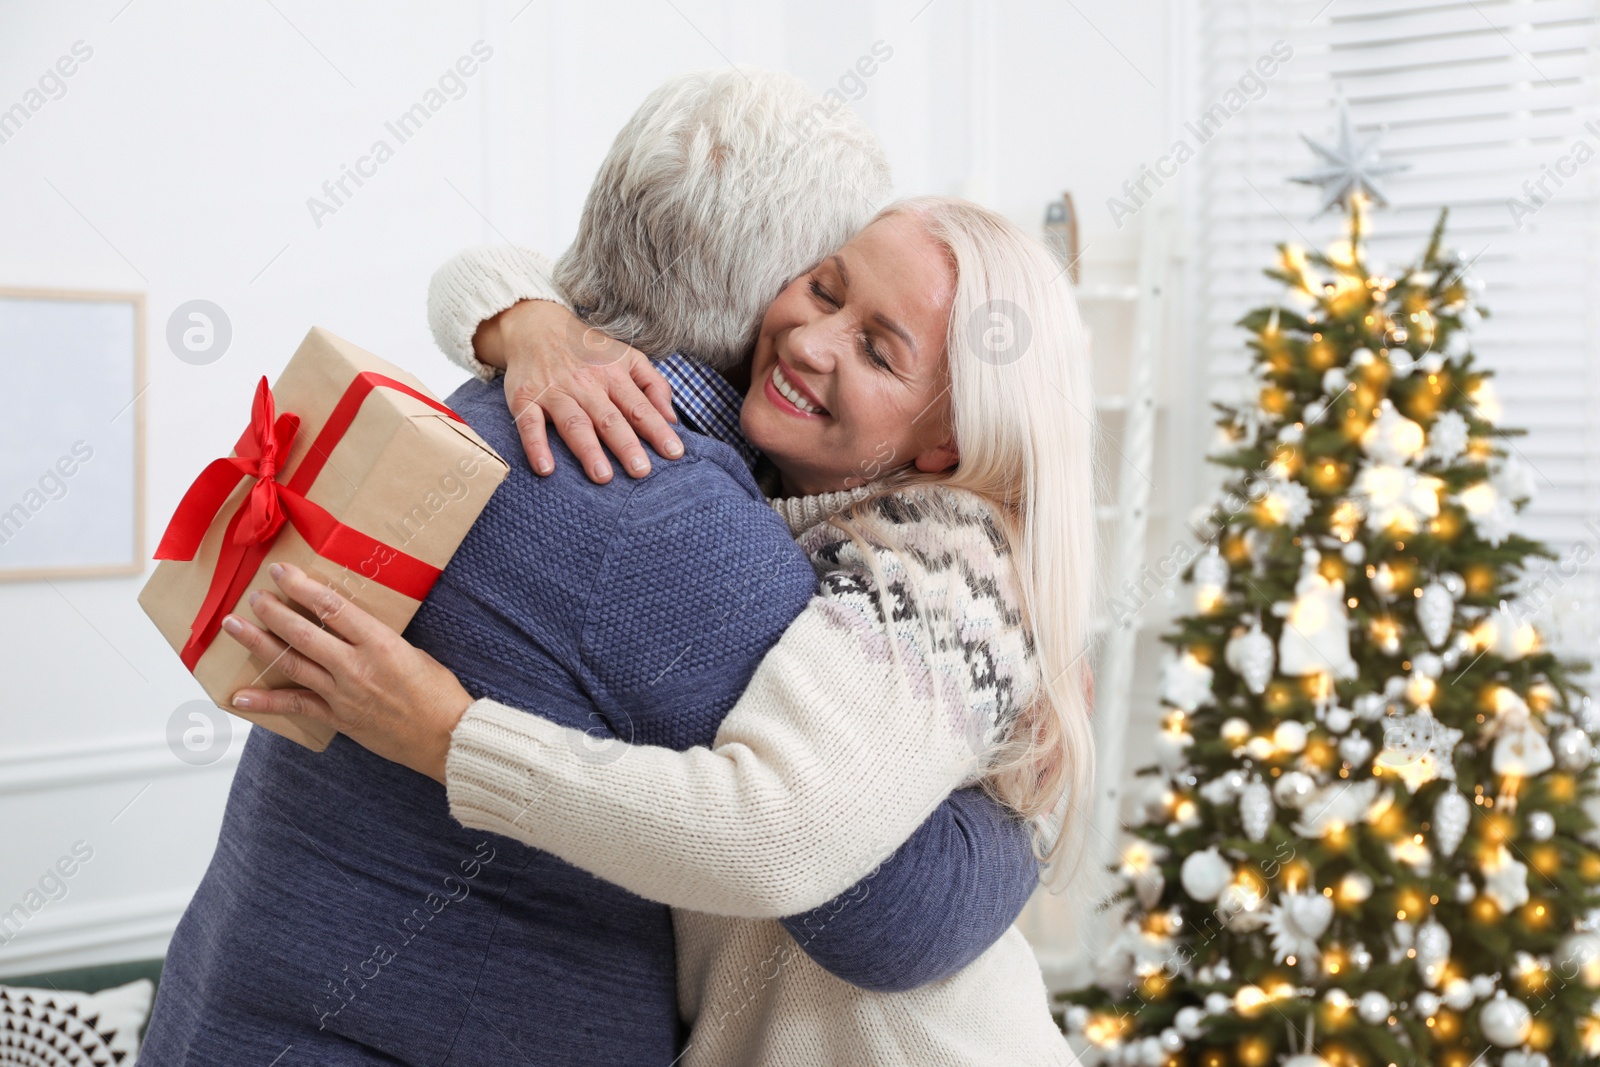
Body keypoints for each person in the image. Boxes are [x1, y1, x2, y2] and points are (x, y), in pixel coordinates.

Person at [138, 69, 1041, 1067]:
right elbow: (891, 914)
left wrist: (524, 316)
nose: (817, 332)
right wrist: (1024, 801)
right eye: (824, 284)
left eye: (872, 336)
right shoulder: (652, 508)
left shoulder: (497, 396)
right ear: (774, 287)